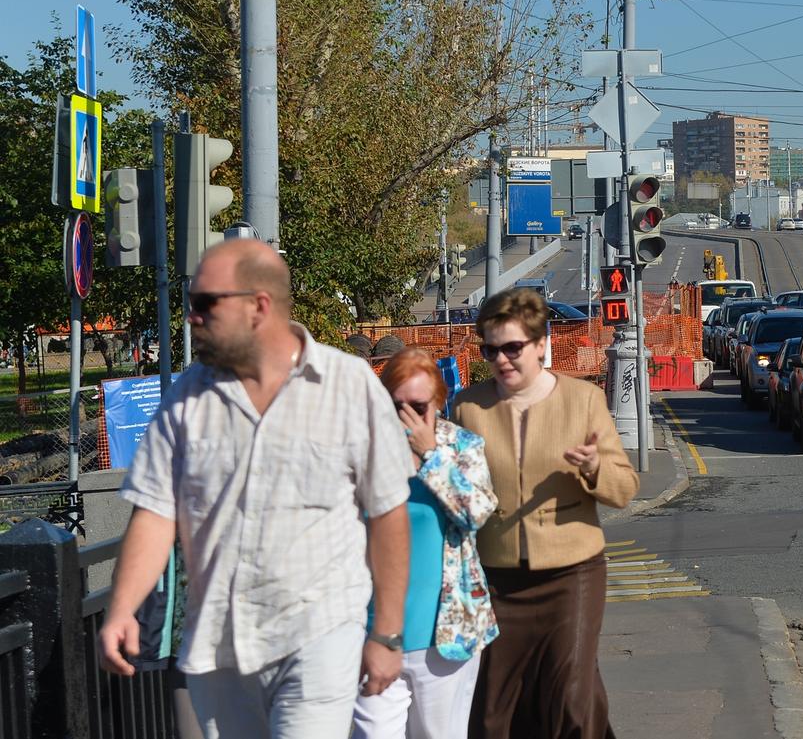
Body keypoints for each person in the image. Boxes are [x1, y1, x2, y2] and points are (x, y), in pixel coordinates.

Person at [99, 239, 413, 739]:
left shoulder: (349, 385)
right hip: (218, 643)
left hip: (319, 631)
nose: (192, 318)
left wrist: (388, 634)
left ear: (258, 307)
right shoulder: (186, 398)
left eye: (205, 304)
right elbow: (156, 513)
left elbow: (388, 515)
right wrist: (120, 609)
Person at [454, 287, 638, 739]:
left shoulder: (582, 400)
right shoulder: (468, 408)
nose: (502, 359)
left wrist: (594, 467)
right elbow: (456, 489)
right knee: (494, 714)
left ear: (540, 344)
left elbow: (624, 489)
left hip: (570, 572)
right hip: (497, 580)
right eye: (490, 349)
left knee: (571, 699)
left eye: (513, 347)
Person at [353, 348, 499, 739]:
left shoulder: (461, 447)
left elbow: (477, 511)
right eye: (395, 406)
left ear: (439, 402)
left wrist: (430, 456)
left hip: (446, 633)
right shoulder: (364, 448)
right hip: (374, 633)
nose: (407, 418)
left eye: (418, 407)